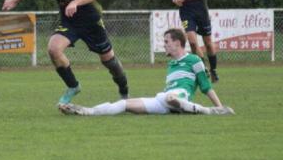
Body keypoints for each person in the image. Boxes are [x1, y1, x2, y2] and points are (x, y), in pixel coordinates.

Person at [2, 0, 129, 104]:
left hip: (91, 21)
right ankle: (73, 86)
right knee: (53, 49)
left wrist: (74, 3)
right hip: (70, 22)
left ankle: (123, 88)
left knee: (109, 61)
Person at [58, 28, 233, 116]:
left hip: (180, 96)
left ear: (178, 43)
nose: (164, 44)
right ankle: (88, 111)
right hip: (163, 100)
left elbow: (205, 86)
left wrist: (219, 105)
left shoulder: (194, 60)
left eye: (166, 41)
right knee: (124, 105)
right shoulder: (172, 64)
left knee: (171, 97)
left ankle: (210, 111)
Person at [170, 0, 219, 82]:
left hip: (201, 10)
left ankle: (213, 70)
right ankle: (203, 70)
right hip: (186, 11)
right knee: (192, 42)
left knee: (208, 43)